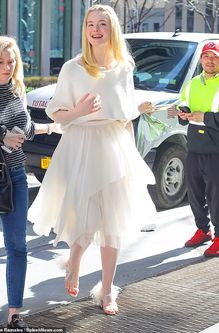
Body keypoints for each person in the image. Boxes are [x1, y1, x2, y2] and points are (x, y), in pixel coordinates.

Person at [29, 4, 156, 315]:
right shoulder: (73, 68)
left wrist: (131, 155)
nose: (96, 29)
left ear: (111, 29)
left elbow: (126, 116)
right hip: (80, 144)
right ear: (84, 30)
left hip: (114, 145)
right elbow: (57, 114)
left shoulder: (124, 67)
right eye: (90, 24)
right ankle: (73, 259)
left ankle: (107, 290)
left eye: (102, 24)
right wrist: (79, 112)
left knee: (113, 222)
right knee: (84, 214)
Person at [0, 36, 56, 328]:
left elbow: (26, 127)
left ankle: (15, 312)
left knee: (17, 246)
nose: (6, 66)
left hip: (15, 175)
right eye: (1, 61)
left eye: (11, 61)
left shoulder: (17, 90)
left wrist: (54, 126)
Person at [168, 41, 219, 257]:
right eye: (206, 56)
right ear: (200, 60)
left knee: (216, 195)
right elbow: (184, 107)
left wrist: (204, 117)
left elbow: (206, 116)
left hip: (216, 150)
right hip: (194, 147)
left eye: (215, 57)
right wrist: (182, 113)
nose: (210, 60)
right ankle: (203, 230)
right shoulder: (192, 84)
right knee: (195, 194)